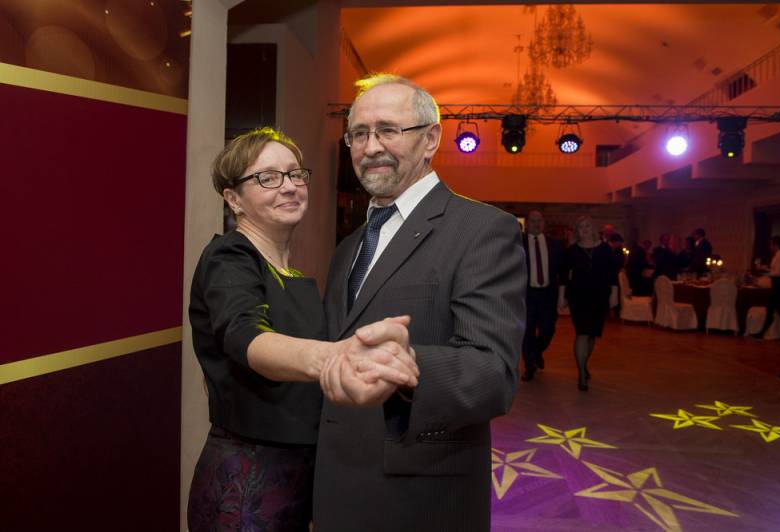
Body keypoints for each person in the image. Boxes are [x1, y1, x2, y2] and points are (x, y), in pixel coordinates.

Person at [314, 74, 527, 532]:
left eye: (388, 130)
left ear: (431, 139)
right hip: (339, 486)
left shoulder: (482, 230)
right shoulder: (347, 248)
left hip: (420, 497)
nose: (371, 147)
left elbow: (493, 372)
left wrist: (408, 365)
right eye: (358, 134)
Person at [186, 128, 420, 531]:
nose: (289, 186)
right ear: (233, 199)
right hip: (248, 484)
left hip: (298, 474)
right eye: (267, 177)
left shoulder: (291, 274)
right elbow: (246, 336)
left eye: (295, 174)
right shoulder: (229, 256)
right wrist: (337, 356)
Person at [559, 216, 618, 391]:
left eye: (588, 226)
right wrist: (561, 297)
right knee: (582, 333)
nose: (584, 229)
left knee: (592, 335)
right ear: (577, 231)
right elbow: (563, 276)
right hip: (578, 296)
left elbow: (612, 273)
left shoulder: (605, 249)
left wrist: (614, 294)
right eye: (581, 227)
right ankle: (582, 375)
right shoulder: (572, 251)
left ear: (593, 229)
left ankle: (583, 364)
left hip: (599, 296)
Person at [521, 210, 563, 380]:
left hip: (548, 295)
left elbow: (561, 271)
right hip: (526, 295)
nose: (536, 223)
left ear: (544, 223)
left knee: (548, 330)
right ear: (527, 224)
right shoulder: (517, 244)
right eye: (533, 220)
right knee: (527, 331)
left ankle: (536, 351)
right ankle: (529, 365)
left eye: (539, 220)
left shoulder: (555, 244)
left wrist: (562, 295)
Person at [752, 236, 780, 342]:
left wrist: (763, 273)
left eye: (771, 244)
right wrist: (763, 268)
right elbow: (775, 270)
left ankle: (762, 334)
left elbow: (778, 273)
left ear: (776, 245)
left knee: (777, 310)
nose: (770, 247)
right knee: (775, 310)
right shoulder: (779, 255)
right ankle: (762, 334)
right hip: (779, 285)